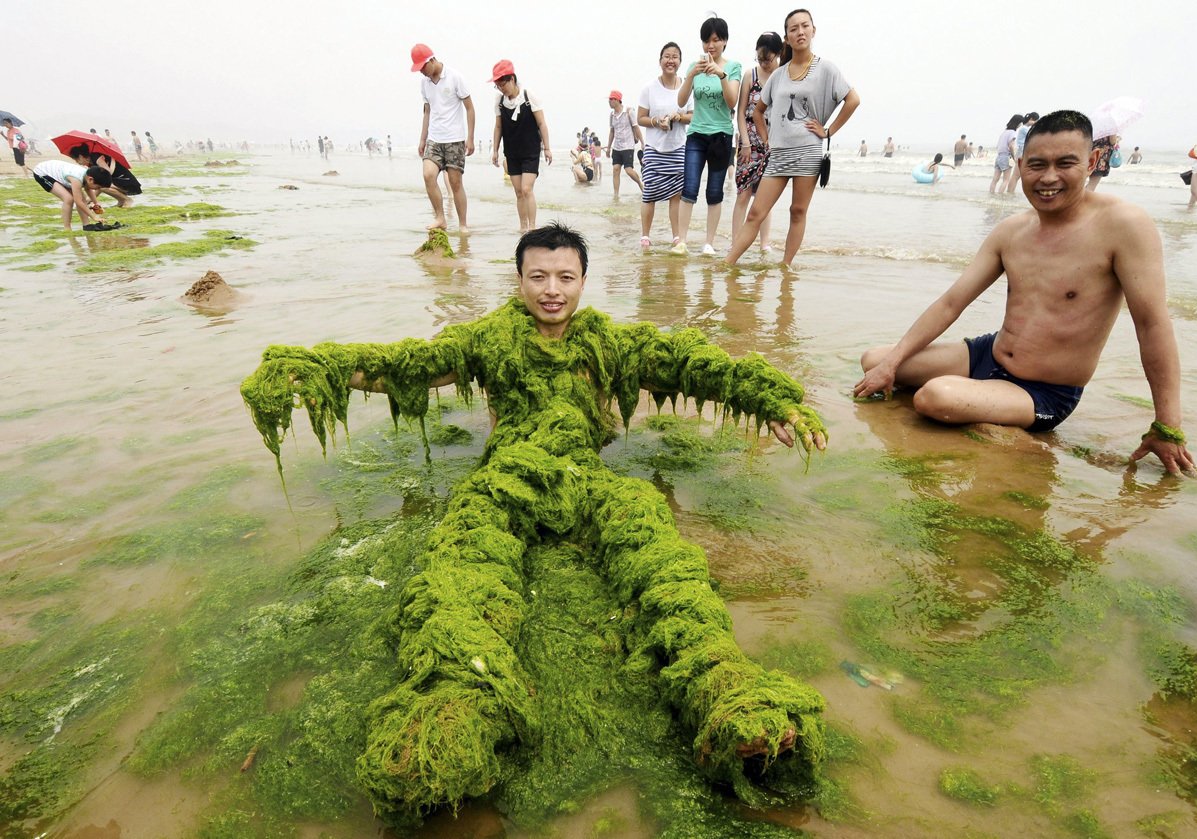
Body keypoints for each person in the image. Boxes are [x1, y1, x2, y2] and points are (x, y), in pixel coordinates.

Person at [240, 222, 829, 820]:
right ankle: (453, 705)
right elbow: (408, 365)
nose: (552, 290)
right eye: (538, 276)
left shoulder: (607, 343)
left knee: (661, 562)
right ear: (519, 279)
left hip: (588, 480)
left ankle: (723, 689)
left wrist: (771, 401)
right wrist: (315, 371)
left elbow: (691, 364)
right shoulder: (491, 338)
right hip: (506, 479)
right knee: (464, 570)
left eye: (565, 277)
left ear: (583, 281)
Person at [854, 110, 1194, 475]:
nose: (1049, 177)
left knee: (935, 397)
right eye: (1036, 165)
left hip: (1045, 390)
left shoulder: (1123, 225)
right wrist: (892, 364)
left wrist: (1167, 425)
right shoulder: (1012, 231)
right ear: (1020, 165)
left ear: (1093, 161)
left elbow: (1152, 325)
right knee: (875, 360)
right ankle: (976, 393)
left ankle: (976, 397)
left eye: (1065, 163)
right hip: (990, 355)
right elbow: (952, 302)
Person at [725, 9, 860, 268]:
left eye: (805, 26)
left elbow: (853, 100)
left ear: (813, 30)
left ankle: (785, 265)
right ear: (786, 37)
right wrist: (766, 142)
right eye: (794, 28)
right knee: (755, 212)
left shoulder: (827, 69)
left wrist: (829, 131)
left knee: (797, 212)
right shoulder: (778, 74)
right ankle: (727, 263)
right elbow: (757, 112)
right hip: (779, 154)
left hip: (808, 152)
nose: (800, 32)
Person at [674, 16, 743, 256]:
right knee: (689, 188)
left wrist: (721, 75)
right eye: (706, 41)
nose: (710, 45)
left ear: (724, 41)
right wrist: (692, 75)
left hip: (721, 135)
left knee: (715, 192)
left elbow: (732, 101)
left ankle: (708, 243)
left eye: (715, 40)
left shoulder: (733, 67)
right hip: (696, 135)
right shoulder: (695, 67)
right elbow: (681, 102)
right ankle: (681, 241)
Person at [411, 43, 476, 232]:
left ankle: (463, 224)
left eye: (422, 67)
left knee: (456, 183)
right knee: (428, 175)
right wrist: (422, 139)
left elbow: (470, 108)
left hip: (455, 139)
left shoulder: (455, 77)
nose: (421, 72)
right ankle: (440, 218)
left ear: (431, 59)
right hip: (434, 138)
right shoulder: (424, 83)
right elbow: (427, 112)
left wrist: (470, 138)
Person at [730, 31, 782, 259]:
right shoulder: (749, 75)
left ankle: (764, 244)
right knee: (743, 194)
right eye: (760, 59)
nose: (763, 63)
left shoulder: (783, 75)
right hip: (748, 141)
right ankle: (735, 242)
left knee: (764, 197)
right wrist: (745, 142)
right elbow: (740, 112)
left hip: (773, 144)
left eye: (767, 59)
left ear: (778, 54)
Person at [637, 41, 693, 251]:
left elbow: (693, 117)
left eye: (675, 57)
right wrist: (656, 121)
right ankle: (645, 235)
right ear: (660, 60)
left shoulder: (686, 86)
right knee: (649, 192)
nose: (671, 60)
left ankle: (677, 236)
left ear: (680, 61)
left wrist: (678, 117)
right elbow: (640, 118)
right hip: (654, 147)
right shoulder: (649, 88)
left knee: (676, 194)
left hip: (678, 148)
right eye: (667, 56)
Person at [489, 60, 553, 233]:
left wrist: (547, 148)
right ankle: (522, 226)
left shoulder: (528, 96)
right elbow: (498, 127)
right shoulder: (500, 101)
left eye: (502, 84)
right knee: (518, 192)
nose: (501, 88)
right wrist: (495, 150)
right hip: (512, 151)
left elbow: (542, 123)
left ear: (512, 79)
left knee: (526, 189)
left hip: (530, 150)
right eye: (497, 85)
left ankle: (532, 227)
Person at [31, 159, 119, 231]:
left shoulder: (87, 175)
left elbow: (88, 189)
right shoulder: (77, 179)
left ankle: (86, 225)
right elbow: (78, 202)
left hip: (60, 173)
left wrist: (96, 203)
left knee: (83, 198)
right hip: (43, 173)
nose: (97, 189)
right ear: (91, 179)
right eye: (98, 187)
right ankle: (67, 228)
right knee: (69, 199)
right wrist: (94, 217)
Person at [68, 144, 142, 207]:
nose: (77, 163)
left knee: (102, 186)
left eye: (76, 160)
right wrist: (90, 200)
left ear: (81, 156)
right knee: (101, 185)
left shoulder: (97, 158)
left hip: (129, 183)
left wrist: (89, 199)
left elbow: (107, 175)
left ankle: (127, 200)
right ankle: (121, 200)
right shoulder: (91, 163)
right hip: (119, 183)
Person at [606, 91, 643, 197]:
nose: (609, 101)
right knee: (615, 169)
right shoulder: (611, 115)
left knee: (628, 170)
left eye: (611, 99)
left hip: (628, 146)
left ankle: (640, 183)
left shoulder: (628, 111)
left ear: (617, 100)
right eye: (609, 99)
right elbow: (612, 132)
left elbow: (636, 127)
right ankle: (616, 195)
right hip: (617, 147)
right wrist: (608, 148)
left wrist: (642, 143)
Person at [989, 114, 1023, 194]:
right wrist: (1014, 157)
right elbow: (1011, 145)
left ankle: (991, 195)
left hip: (999, 157)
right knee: (1006, 180)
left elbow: (998, 146)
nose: (1020, 125)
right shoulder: (1013, 133)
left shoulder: (1004, 132)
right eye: (1020, 123)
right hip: (1006, 157)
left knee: (995, 179)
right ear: (1018, 123)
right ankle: (1000, 197)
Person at [1006, 112, 1038, 193]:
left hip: (1023, 153)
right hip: (1022, 153)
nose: (1035, 123)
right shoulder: (1024, 128)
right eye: (1035, 121)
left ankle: (1010, 193)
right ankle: (1010, 193)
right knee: (1016, 176)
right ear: (1030, 119)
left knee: (1016, 176)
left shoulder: (1025, 128)